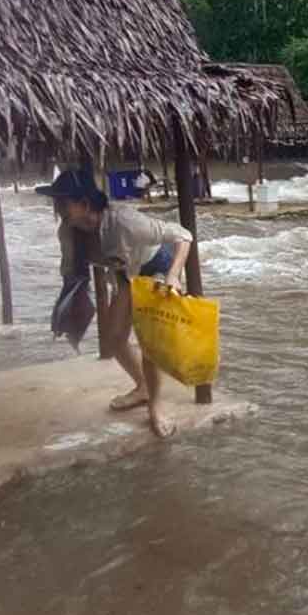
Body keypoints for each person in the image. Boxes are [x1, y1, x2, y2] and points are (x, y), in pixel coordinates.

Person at [38, 169, 194, 438]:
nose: (57, 208)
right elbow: (70, 274)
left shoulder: (124, 221)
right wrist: (64, 311)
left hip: (155, 268)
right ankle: (143, 387)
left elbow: (183, 236)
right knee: (114, 340)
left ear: (85, 204)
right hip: (125, 275)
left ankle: (156, 407)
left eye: (63, 202)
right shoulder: (68, 231)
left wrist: (174, 276)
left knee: (149, 345)